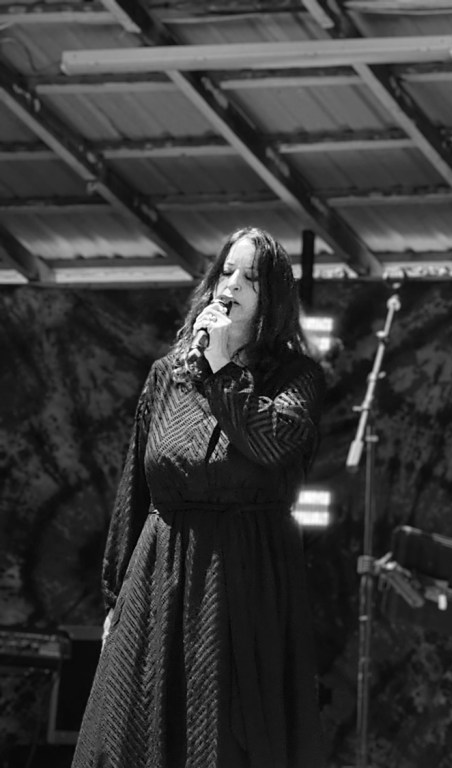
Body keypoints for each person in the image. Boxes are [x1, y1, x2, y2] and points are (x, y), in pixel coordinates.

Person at [72, 227, 327, 768]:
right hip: (159, 576)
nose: (231, 285)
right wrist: (114, 597)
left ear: (273, 299)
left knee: (225, 741)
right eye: (226, 272)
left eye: (250, 278)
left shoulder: (296, 378)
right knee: (129, 738)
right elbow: (136, 490)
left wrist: (222, 369)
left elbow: (269, 443)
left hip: (243, 579)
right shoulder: (167, 376)